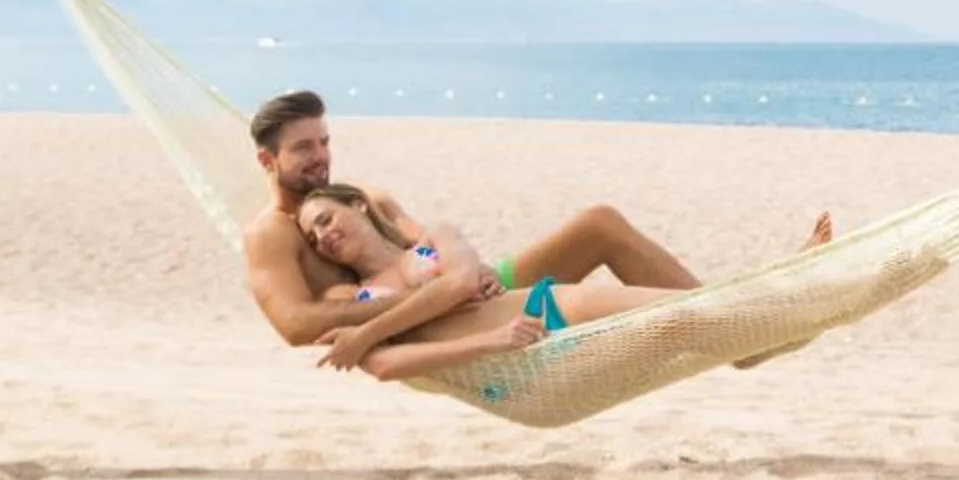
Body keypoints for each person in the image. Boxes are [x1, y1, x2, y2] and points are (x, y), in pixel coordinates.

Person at [240, 88, 720, 349]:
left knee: (599, 223)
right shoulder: (270, 236)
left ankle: (736, 318)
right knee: (580, 299)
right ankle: (734, 321)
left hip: (477, 288)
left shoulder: (361, 197)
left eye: (324, 142)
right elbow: (297, 326)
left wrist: (466, 270)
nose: (321, 157)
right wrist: (428, 302)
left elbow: (424, 241)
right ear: (268, 161)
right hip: (449, 314)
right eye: (303, 148)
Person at [295, 181, 832, 384]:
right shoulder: (352, 298)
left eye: (325, 220)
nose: (321, 238)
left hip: (538, 306)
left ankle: (767, 320)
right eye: (312, 237)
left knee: (693, 317)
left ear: (357, 206)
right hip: (529, 331)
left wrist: (367, 333)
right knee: (693, 317)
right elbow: (386, 366)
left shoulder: (433, 239)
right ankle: (775, 310)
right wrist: (487, 341)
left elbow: (460, 280)